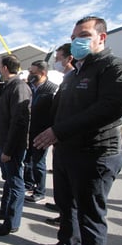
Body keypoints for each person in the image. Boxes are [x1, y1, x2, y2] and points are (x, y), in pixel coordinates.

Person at [33, 16, 122, 245]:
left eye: (83, 35)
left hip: (96, 155)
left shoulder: (115, 68)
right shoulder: (73, 74)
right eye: (73, 38)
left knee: (91, 217)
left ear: (101, 37)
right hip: (66, 152)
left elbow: (111, 107)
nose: (76, 42)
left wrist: (59, 130)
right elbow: (58, 111)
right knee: (66, 204)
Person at [0, 54, 31, 235]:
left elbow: (20, 122)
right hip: (3, 143)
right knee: (8, 181)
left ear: (5, 68)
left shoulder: (20, 87)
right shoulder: (7, 87)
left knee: (15, 183)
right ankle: (4, 211)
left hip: (11, 146)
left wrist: (9, 150)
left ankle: (11, 222)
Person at [45, 43, 76, 226]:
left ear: (68, 59)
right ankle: (63, 214)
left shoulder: (75, 80)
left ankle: (70, 232)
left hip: (69, 141)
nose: (56, 62)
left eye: (58, 59)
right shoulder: (67, 80)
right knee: (63, 188)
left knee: (72, 190)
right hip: (60, 140)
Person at [23, 60, 58, 203]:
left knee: (38, 162)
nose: (30, 74)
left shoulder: (52, 89)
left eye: (33, 72)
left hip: (42, 133)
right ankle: (29, 184)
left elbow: (55, 113)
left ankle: (40, 191)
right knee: (28, 160)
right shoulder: (29, 87)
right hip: (28, 131)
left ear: (42, 73)